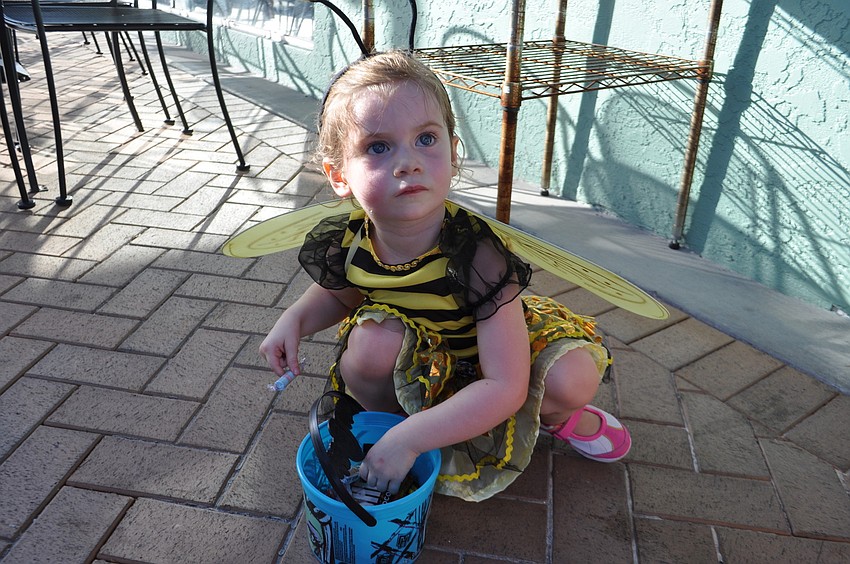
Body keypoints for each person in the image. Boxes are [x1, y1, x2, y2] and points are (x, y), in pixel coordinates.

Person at [259, 50, 631, 502]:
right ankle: (389, 435)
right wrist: (293, 321)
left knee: (569, 379)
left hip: (494, 362)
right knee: (373, 340)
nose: (408, 162)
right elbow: (341, 295)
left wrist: (412, 440)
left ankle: (554, 418)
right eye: (378, 147)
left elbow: (504, 384)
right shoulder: (351, 240)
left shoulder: (477, 256)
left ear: (454, 154)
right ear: (339, 176)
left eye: (426, 139)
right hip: (421, 363)